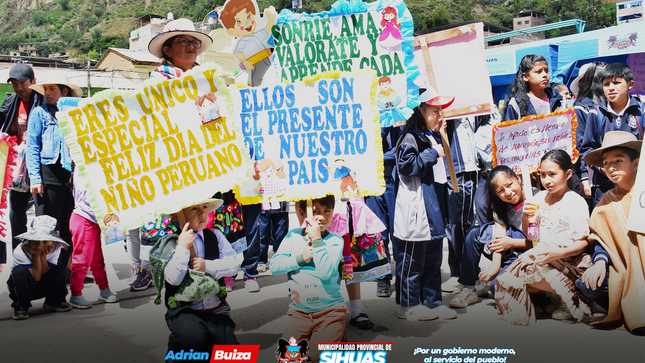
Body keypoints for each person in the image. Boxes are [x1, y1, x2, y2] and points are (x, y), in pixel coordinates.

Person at [131, 18, 216, 292]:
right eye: (184, 41)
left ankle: (203, 283)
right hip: (171, 166)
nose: (192, 47)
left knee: (199, 227)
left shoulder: (206, 80)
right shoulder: (156, 83)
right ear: (167, 50)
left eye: (195, 42)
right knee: (177, 231)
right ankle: (179, 292)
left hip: (200, 164)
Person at [495, 150, 592, 325]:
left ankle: (573, 298)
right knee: (505, 280)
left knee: (528, 272)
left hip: (569, 261)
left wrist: (557, 254)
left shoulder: (574, 201)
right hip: (543, 256)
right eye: (543, 175)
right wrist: (526, 215)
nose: (546, 180)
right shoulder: (538, 198)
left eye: (552, 174)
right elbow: (531, 236)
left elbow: (583, 243)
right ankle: (555, 295)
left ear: (568, 174)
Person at [393, 86, 457, 321]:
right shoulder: (409, 136)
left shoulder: (429, 135)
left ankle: (433, 301)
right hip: (416, 205)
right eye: (434, 111)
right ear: (419, 110)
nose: (439, 116)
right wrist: (432, 153)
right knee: (412, 258)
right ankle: (408, 304)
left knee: (433, 256)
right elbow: (407, 166)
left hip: (434, 203)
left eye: (441, 111)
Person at [575, 131, 644, 335]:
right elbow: (601, 240)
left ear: (636, 163)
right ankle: (631, 305)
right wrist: (599, 262)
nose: (611, 167)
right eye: (605, 163)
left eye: (618, 160)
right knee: (587, 283)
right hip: (627, 270)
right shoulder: (607, 200)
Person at [159, 198, 240, 357]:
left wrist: (207, 266)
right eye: (194, 209)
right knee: (192, 339)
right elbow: (173, 279)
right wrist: (183, 248)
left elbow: (232, 266)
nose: (203, 213)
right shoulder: (171, 243)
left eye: (204, 207)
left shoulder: (215, 236)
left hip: (215, 309)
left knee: (231, 351)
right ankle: (176, 353)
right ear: (178, 215)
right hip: (185, 311)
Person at [270, 196, 345, 362]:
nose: (322, 216)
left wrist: (317, 240)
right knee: (288, 357)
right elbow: (275, 266)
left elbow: (326, 273)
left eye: (327, 211)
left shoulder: (335, 241)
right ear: (303, 214)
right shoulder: (292, 236)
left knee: (320, 356)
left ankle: (335, 333)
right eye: (315, 211)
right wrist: (300, 259)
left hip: (330, 311)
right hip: (300, 313)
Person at [449, 166, 531, 308]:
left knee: (496, 288)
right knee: (475, 233)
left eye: (510, 185)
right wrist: (495, 264)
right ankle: (469, 287)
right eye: (500, 191)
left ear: (518, 178)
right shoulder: (500, 205)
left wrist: (511, 243)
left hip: (529, 254)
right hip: (508, 250)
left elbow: (541, 244)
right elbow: (500, 233)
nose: (508, 193)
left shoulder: (535, 199)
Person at [26, 74, 82, 267]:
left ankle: (65, 271)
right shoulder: (39, 113)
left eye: (52, 89)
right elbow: (32, 146)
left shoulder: (76, 114)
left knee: (69, 227)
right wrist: (35, 178)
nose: (48, 93)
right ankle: (43, 270)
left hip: (72, 177)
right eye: (46, 90)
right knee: (47, 227)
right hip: (48, 176)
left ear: (64, 91)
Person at [580, 62, 644, 208]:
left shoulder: (641, 111)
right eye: (606, 84)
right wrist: (605, 168)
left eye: (616, 82)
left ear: (630, 84)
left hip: (638, 183)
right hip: (604, 185)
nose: (611, 88)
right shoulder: (595, 113)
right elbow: (587, 148)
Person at [0, 64, 45, 266]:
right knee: (16, 213)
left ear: (33, 81)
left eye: (22, 83)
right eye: (14, 83)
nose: (18, 87)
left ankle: (46, 260)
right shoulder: (10, 103)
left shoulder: (44, 101)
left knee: (43, 214)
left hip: (39, 167)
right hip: (17, 169)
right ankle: (20, 258)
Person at [68, 172, 119, 309]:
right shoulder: (83, 167)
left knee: (97, 259)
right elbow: (88, 196)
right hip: (85, 218)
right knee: (82, 259)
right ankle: (76, 294)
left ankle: (104, 289)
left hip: (92, 219)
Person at [7, 215, 72, 320]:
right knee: (19, 272)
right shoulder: (21, 250)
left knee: (62, 271)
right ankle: (22, 306)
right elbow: (36, 277)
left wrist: (43, 255)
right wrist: (36, 254)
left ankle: (54, 301)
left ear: (53, 242)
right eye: (36, 241)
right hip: (24, 287)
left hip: (43, 284)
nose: (39, 246)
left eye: (45, 242)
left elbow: (45, 272)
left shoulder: (55, 248)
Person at [571, 62, 607, 205]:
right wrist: (584, 177)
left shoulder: (607, 106)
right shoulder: (582, 108)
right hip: (595, 178)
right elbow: (580, 145)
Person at [502, 54, 564, 121]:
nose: (545, 75)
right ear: (526, 76)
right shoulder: (516, 102)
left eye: (546, 70)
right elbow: (510, 129)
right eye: (538, 71)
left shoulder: (557, 98)